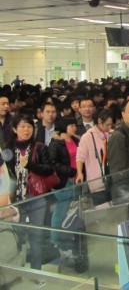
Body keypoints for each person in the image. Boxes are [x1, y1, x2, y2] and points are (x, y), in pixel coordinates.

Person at [5, 114, 55, 270]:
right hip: (16, 199)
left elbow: (48, 170)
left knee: (36, 235)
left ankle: (36, 271)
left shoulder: (39, 147)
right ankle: (17, 269)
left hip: (36, 197)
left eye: (29, 126)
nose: (26, 130)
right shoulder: (8, 149)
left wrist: (30, 166)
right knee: (17, 234)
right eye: (22, 126)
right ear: (14, 129)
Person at [48, 117, 78, 253]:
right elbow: (53, 163)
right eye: (70, 125)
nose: (73, 127)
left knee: (72, 211)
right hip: (62, 181)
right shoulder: (56, 143)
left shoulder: (76, 140)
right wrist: (71, 171)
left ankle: (69, 236)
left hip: (76, 180)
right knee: (61, 211)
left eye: (74, 125)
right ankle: (55, 239)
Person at [75, 109, 114, 205]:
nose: (109, 127)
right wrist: (79, 173)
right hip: (96, 183)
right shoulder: (87, 136)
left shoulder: (112, 134)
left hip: (112, 179)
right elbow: (80, 157)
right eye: (107, 124)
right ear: (100, 121)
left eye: (111, 124)